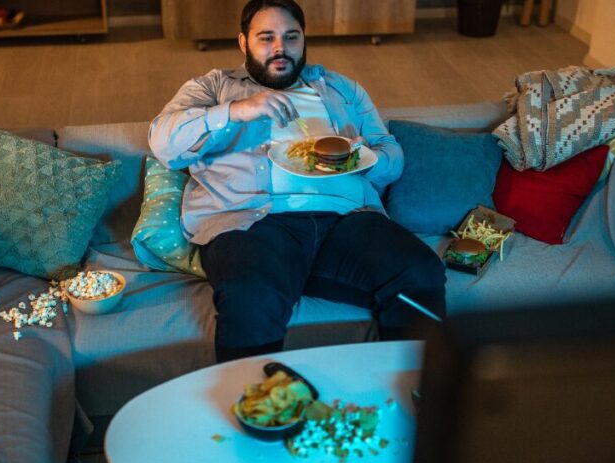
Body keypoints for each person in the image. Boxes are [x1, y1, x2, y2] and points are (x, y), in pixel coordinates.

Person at [148, 0, 446, 362]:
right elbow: (163, 142)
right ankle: (261, 397)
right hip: (252, 222)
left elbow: (392, 157)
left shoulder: (342, 89)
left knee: (421, 271)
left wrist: (366, 158)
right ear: (243, 42)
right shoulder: (214, 87)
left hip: (348, 220)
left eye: (291, 37)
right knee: (253, 295)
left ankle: (416, 388)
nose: (280, 48)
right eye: (266, 38)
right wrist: (237, 111)